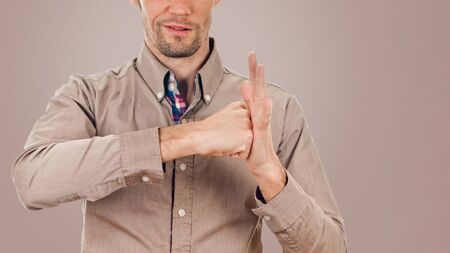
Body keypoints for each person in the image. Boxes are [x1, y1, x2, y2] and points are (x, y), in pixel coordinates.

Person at [10, 0, 348, 252]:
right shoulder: (88, 97)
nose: (180, 8)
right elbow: (32, 181)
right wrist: (187, 137)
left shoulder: (276, 110)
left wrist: (270, 174)